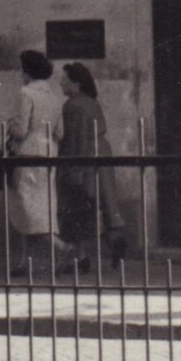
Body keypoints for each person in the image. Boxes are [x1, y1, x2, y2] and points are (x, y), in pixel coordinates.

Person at [59, 63, 135, 261]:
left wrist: (72, 169)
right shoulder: (92, 102)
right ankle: (115, 239)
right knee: (105, 202)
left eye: (65, 79)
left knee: (77, 206)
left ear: (76, 83)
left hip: (83, 159)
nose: (61, 82)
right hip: (101, 155)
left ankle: (81, 256)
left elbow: (75, 139)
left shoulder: (73, 106)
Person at [5, 50, 67, 268]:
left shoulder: (25, 93)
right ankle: (25, 261)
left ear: (26, 72)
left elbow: (20, 130)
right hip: (48, 156)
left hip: (27, 156)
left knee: (25, 212)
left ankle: (64, 249)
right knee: (42, 211)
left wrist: (10, 124)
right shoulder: (54, 96)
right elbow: (60, 132)